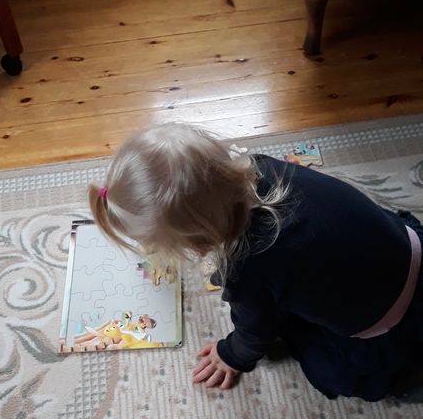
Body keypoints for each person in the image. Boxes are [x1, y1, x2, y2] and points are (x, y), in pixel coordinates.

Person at [89, 122, 423, 403]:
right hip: (409, 246)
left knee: (327, 367)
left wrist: (230, 355)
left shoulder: (245, 267)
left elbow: (256, 332)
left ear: (197, 241)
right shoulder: (265, 166)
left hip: (392, 325)